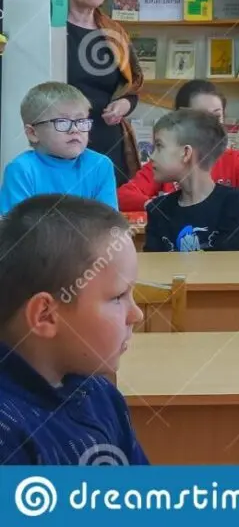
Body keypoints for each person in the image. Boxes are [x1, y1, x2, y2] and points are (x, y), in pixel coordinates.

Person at [0, 195, 147, 465]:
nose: (136, 314)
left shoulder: (102, 395)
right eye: (118, 296)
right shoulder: (8, 437)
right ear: (46, 315)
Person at [117, 79, 239, 211]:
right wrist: (160, 206)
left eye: (217, 116)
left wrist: (236, 206)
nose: (211, 124)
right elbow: (124, 196)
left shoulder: (235, 159)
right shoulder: (166, 161)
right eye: (201, 116)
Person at [65, 0, 144, 186]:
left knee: (109, 216)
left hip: (110, 141)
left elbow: (132, 85)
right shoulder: (53, 30)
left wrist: (124, 104)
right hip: (65, 138)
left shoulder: (113, 31)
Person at [144, 109, 239, 252]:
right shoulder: (158, 209)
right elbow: (153, 267)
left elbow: (229, 263)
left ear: (186, 153)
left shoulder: (233, 203)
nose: (151, 156)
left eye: (159, 146)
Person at [0, 82, 117, 214]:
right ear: (33, 133)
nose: (75, 129)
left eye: (81, 121)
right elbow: (15, 229)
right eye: (62, 122)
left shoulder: (100, 165)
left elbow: (109, 224)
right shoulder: (21, 169)